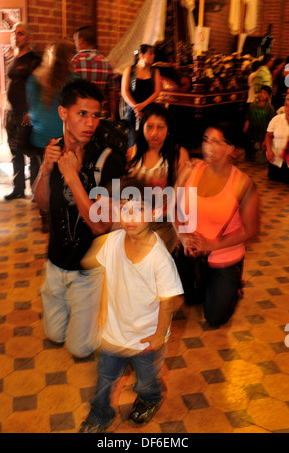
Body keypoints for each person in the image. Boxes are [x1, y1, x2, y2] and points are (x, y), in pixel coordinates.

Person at [79, 177, 183, 433]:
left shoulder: (159, 258)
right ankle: (100, 413)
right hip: (113, 334)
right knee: (104, 379)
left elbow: (169, 301)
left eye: (139, 209)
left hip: (146, 340)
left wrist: (159, 335)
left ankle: (151, 397)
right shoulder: (113, 242)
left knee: (146, 379)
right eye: (125, 208)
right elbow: (106, 276)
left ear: (154, 212)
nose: (131, 216)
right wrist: (103, 311)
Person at [34, 78, 125, 358]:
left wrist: (72, 177)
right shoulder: (53, 148)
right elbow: (42, 204)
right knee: (54, 334)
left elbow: (100, 224)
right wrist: (47, 169)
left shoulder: (109, 159)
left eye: (95, 115)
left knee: (80, 349)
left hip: (88, 270)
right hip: (55, 263)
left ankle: (105, 313)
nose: (90, 123)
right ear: (63, 113)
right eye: (82, 114)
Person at [174, 122, 259, 326]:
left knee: (215, 317)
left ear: (230, 149)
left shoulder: (243, 184)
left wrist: (211, 245)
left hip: (224, 256)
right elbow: (174, 206)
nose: (207, 147)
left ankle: (234, 281)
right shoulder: (192, 169)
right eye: (205, 140)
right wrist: (182, 235)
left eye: (216, 142)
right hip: (191, 253)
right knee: (191, 300)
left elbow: (251, 231)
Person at [25, 39, 78, 232]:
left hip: (41, 138)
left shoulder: (34, 80)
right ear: (68, 59)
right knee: (64, 178)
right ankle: (61, 215)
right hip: (65, 137)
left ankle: (44, 217)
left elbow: (33, 110)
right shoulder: (74, 80)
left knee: (43, 174)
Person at [127, 103, 190, 253]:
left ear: (168, 129)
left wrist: (181, 231)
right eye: (149, 127)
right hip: (135, 223)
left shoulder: (178, 155)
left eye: (160, 127)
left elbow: (183, 198)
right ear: (142, 127)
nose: (154, 133)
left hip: (166, 224)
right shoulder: (132, 153)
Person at [4, 22, 41, 200]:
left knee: (32, 154)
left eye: (20, 33)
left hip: (26, 115)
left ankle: (35, 190)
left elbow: (40, 89)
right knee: (14, 153)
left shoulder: (35, 61)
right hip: (11, 114)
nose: (15, 36)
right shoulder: (12, 60)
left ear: (29, 38)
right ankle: (18, 188)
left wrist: (32, 111)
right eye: (13, 33)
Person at [72, 26, 117, 119]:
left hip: (79, 117)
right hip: (100, 116)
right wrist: (113, 118)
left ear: (80, 40)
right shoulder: (108, 64)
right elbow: (112, 97)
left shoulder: (72, 63)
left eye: (75, 40)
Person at [121, 44, 161, 148]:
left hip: (148, 108)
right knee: (132, 141)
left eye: (154, 54)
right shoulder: (129, 70)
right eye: (150, 54)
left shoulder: (155, 71)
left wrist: (143, 105)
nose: (153, 56)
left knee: (148, 141)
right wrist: (136, 108)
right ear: (142, 55)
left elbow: (157, 92)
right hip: (132, 109)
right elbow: (125, 92)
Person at [264, 95, 289, 184]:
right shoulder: (276, 119)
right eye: (286, 105)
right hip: (276, 158)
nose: (288, 108)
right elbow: (268, 136)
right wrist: (269, 151)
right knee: (276, 180)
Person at [243, 85, 275, 162]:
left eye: (264, 93)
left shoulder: (270, 108)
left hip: (263, 135)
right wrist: (244, 132)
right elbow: (248, 119)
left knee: (261, 160)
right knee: (249, 158)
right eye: (260, 92)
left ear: (268, 96)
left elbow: (271, 124)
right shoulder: (252, 106)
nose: (261, 94)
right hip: (252, 133)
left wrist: (267, 139)